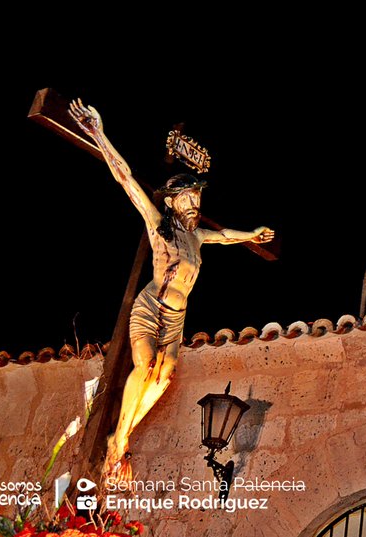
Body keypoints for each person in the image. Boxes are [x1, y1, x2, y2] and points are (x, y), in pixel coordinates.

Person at [68, 99, 275, 483]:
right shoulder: (159, 225)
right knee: (145, 364)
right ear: (172, 200)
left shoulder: (197, 236)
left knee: (164, 377)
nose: (195, 203)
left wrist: (252, 234)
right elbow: (126, 179)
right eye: (188, 197)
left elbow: (225, 236)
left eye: (198, 197)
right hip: (152, 307)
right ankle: (118, 442)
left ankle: (121, 435)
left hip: (177, 318)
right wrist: (99, 133)